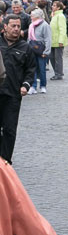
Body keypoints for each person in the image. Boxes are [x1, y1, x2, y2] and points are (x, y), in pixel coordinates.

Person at [0, 16, 35, 163]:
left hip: (13, 94)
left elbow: (31, 70)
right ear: (5, 27)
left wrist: (26, 85)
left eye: (18, 26)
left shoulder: (25, 47)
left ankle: (5, 161)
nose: (16, 29)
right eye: (13, 26)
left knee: (9, 129)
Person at [27, 10, 51, 96]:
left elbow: (48, 39)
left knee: (42, 69)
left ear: (37, 16)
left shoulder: (45, 25)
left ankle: (43, 85)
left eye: (32, 15)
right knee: (32, 68)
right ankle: (33, 86)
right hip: (32, 49)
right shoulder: (31, 25)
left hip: (41, 49)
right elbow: (29, 39)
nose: (31, 17)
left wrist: (46, 51)